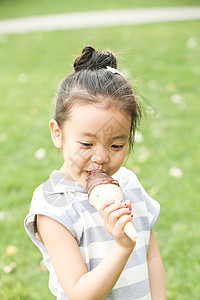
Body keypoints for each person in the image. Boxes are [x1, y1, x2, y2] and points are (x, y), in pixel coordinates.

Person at [24, 46, 166, 300]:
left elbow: (151, 255)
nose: (101, 157)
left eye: (116, 145)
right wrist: (122, 247)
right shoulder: (52, 204)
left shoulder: (129, 183)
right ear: (58, 133)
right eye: (87, 144)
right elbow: (80, 293)